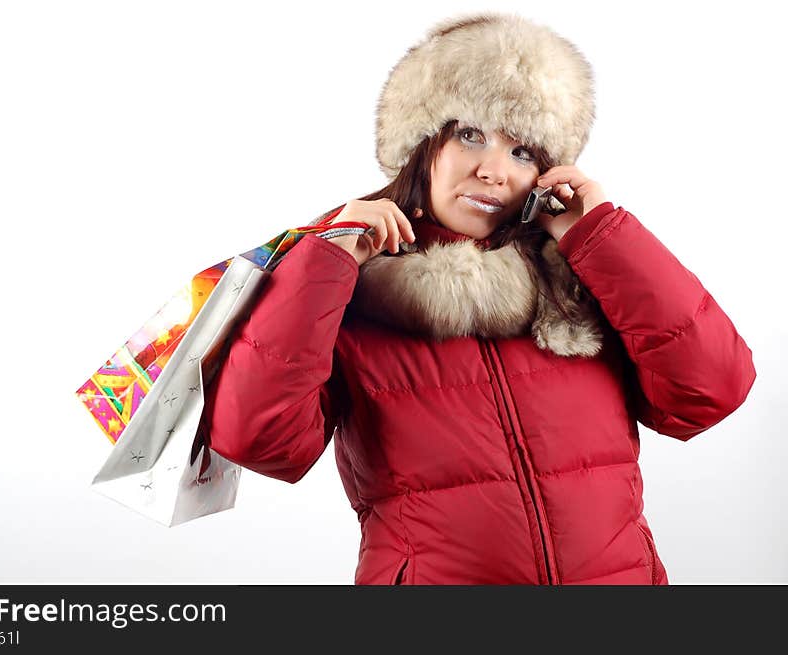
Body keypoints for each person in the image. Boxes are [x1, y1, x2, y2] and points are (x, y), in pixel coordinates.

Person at [199, 12, 756, 584]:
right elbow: (263, 443)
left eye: (523, 152)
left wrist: (603, 236)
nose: (494, 171)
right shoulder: (347, 288)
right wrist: (323, 263)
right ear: (420, 145)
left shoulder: (579, 277)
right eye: (471, 135)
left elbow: (710, 392)